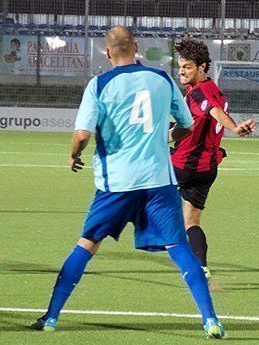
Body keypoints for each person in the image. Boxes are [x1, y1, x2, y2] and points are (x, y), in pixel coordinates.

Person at [30, 26, 226, 339]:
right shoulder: (161, 79)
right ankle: (211, 320)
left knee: (88, 244)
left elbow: (82, 135)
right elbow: (186, 126)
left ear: (107, 52)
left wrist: (73, 155)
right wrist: (168, 137)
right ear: (135, 47)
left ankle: (51, 316)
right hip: (158, 182)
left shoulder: (100, 84)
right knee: (179, 248)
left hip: (117, 184)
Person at [172, 38, 256, 279]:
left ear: (202, 67)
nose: (181, 71)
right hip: (207, 168)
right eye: (180, 65)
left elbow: (214, 111)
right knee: (191, 221)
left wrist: (235, 128)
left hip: (184, 163)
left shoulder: (200, 93)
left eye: (187, 66)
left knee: (141, 184)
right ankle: (201, 267)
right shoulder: (213, 89)